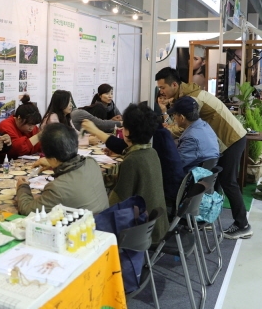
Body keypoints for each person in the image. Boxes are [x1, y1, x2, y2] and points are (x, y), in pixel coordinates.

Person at [156, 67, 252, 240]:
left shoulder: (193, 98)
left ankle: (242, 225)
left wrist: (164, 131)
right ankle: (207, 217)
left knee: (228, 182)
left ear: (174, 85)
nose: (161, 91)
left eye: (163, 87)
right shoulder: (188, 94)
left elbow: (186, 125)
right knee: (216, 180)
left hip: (231, 139)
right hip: (224, 140)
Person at [107, 104, 169, 242]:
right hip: (158, 224)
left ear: (127, 132)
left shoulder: (132, 160)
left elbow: (117, 202)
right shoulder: (151, 152)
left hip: (142, 232)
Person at [15, 123, 109, 215]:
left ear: (52, 158)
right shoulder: (91, 162)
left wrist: (22, 187)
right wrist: (53, 164)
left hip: (86, 225)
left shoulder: (57, 188)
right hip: (105, 219)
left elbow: (27, 209)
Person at [168, 96, 219, 173]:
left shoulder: (191, 138)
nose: (174, 118)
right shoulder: (205, 126)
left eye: (174, 115)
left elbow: (175, 165)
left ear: (182, 118)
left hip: (190, 177)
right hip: (203, 174)